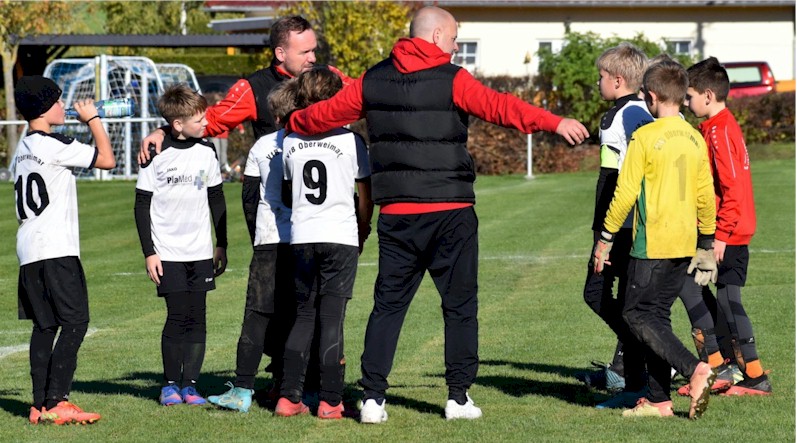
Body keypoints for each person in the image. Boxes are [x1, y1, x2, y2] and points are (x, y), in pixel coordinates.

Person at [285, 6, 589, 422]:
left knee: (388, 307)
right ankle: (458, 398)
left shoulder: (372, 80)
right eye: (454, 38)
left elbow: (324, 114)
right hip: (451, 212)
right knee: (460, 307)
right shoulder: (453, 79)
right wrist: (553, 122)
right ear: (436, 36)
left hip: (398, 215)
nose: (457, 46)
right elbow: (501, 107)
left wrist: (293, 121)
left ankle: (372, 399)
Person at [593, 58, 718, 419]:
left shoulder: (645, 136)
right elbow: (705, 193)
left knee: (634, 314)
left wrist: (605, 238)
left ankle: (695, 369)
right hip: (684, 242)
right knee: (657, 318)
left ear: (651, 96)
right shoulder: (694, 137)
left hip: (652, 242)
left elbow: (625, 194)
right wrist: (706, 242)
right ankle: (660, 401)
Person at [13, 75, 115, 425]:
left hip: (29, 249)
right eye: (57, 101)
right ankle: (58, 400)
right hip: (56, 248)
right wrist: (93, 119)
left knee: (45, 326)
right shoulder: (54, 143)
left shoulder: (23, 147)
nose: (63, 106)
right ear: (44, 109)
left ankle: (39, 405)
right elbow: (107, 159)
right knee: (75, 322)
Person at [274, 68, 373, 420]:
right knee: (332, 318)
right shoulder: (351, 141)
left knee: (303, 315)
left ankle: (289, 397)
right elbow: (365, 195)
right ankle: (331, 401)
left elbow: (290, 189)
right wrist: (364, 229)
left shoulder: (289, 140)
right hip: (339, 235)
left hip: (302, 235)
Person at [139, 15, 352, 160]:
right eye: (305, 52)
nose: (313, 58)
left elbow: (363, 94)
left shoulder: (330, 76)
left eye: (314, 50)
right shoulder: (253, 88)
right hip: (278, 196)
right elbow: (211, 121)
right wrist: (164, 131)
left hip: (330, 190)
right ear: (280, 53)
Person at [682, 56, 771, 396]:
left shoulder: (720, 130)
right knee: (706, 291)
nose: (686, 103)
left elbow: (731, 188)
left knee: (722, 298)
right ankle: (724, 365)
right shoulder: (716, 126)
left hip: (728, 231)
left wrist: (720, 235)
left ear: (707, 95)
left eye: (689, 96)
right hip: (728, 228)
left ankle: (753, 376)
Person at [207, 79, 297, 413]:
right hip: (305, 238)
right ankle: (292, 387)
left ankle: (243, 388)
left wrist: (255, 234)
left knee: (257, 314)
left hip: (269, 239)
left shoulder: (262, 146)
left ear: (275, 116)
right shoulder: (311, 141)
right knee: (301, 313)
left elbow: (250, 197)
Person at [134, 84, 228, 407]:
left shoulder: (207, 151)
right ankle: (170, 384)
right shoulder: (155, 154)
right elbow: (141, 205)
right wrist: (149, 252)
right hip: (167, 253)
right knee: (177, 315)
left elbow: (216, 198)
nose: (206, 123)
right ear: (177, 124)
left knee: (198, 316)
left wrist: (222, 244)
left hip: (200, 251)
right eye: (199, 119)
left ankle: (191, 386)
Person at [577, 43, 653, 407]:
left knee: (597, 294)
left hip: (621, 225)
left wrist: (605, 232)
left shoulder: (628, 114)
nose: (598, 82)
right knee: (622, 302)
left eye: (602, 76)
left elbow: (621, 175)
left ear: (618, 80)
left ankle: (651, 362)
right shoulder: (629, 111)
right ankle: (634, 378)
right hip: (620, 222)